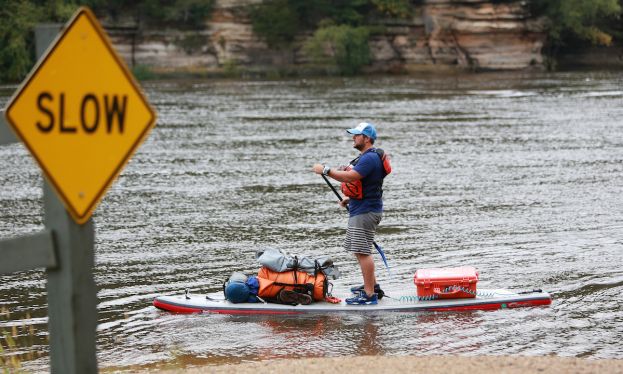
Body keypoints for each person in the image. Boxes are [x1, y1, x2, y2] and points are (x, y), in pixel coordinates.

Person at [312, 122, 389, 305]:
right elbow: (367, 184)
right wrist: (351, 199)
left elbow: (351, 177)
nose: (353, 137)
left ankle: (369, 296)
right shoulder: (368, 157)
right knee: (360, 249)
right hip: (364, 208)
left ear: (367, 138)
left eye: (357, 135)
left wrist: (325, 170)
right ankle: (372, 286)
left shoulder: (369, 158)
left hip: (365, 212)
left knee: (363, 252)